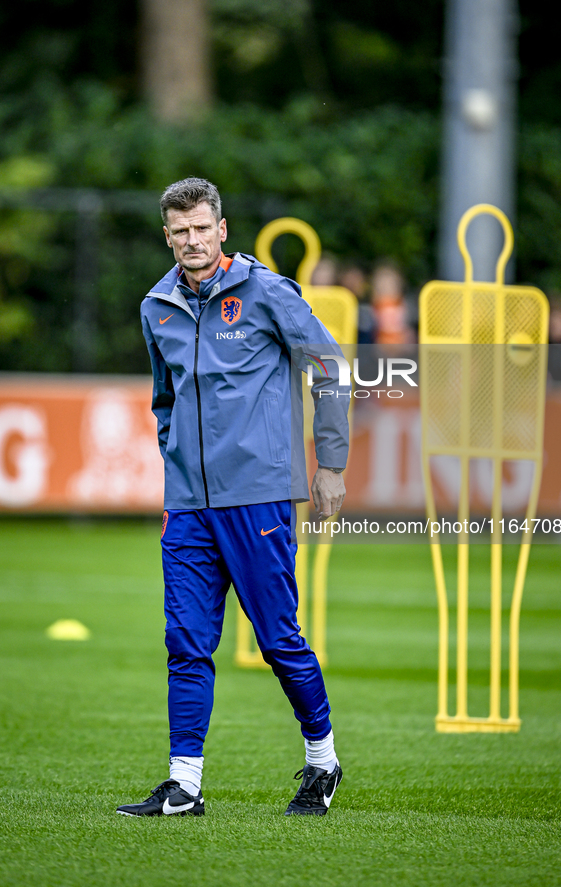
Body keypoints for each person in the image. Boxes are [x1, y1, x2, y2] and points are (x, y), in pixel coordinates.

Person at [116, 177, 350, 818]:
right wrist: (175, 459)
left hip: (259, 498)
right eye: (178, 230)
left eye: (201, 228)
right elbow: (164, 398)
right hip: (188, 504)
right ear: (166, 235)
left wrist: (330, 465)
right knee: (186, 641)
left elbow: (328, 368)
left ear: (222, 229)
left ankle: (322, 761)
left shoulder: (269, 292)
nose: (191, 240)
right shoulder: (155, 306)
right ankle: (183, 783)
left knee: (277, 638)